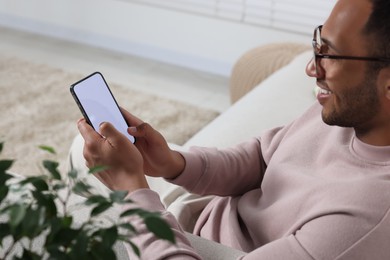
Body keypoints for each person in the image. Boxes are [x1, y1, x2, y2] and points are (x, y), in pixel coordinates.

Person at [75, 0, 390, 258]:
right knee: (84, 149)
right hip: (197, 216)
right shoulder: (351, 111)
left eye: (330, 54)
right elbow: (263, 157)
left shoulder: (362, 222)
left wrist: (132, 190)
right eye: (318, 43)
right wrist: (172, 163)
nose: (312, 67)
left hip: (206, 252)